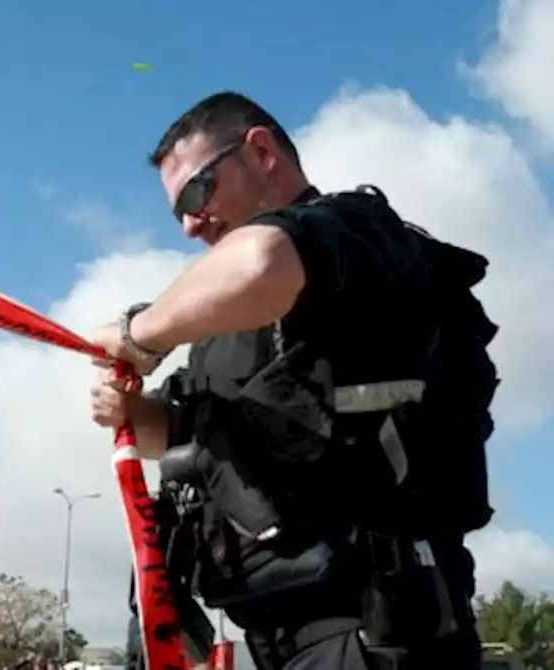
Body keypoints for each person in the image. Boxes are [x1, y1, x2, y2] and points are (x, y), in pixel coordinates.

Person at [88, 91, 498, 669]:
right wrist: (132, 414)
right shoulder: (224, 320)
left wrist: (142, 332)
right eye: (176, 210)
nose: (188, 224)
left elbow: (260, 263)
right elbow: (186, 439)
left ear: (260, 152)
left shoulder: (355, 231)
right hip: (270, 628)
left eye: (197, 192)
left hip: (373, 622)